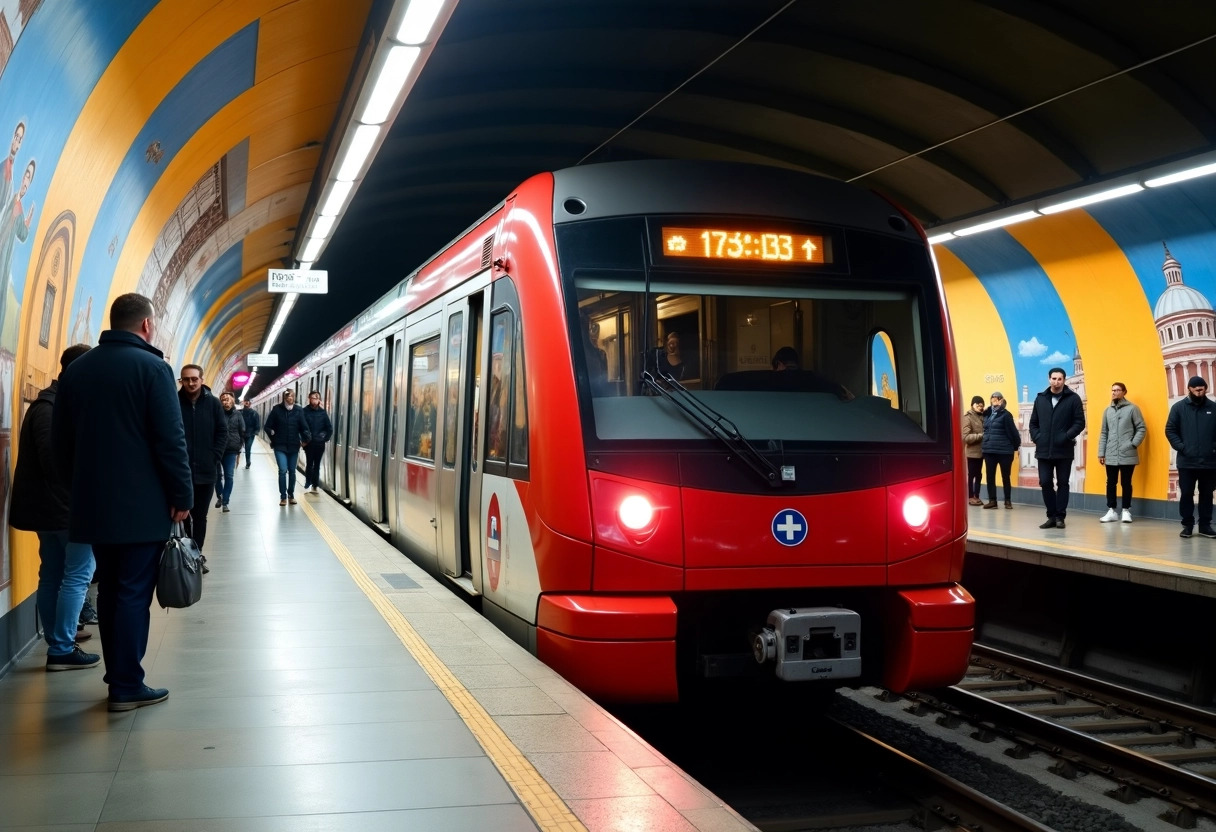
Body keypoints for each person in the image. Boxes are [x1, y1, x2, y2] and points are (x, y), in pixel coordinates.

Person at [52, 293, 193, 711]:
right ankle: (127, 684)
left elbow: (61, 446)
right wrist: (181, 496)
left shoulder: (77, 372)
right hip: (142, 510)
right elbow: (172, 441)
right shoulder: (154, 369)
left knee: (111, 590)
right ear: (147, 325)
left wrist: (76, 490)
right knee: (132, 593)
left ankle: (118, 678)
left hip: (92, 507)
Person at [11, 344, 98, 670]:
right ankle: (61, 647)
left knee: (53, 574)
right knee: (78, 573)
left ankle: (59, 640)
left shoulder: (52, 403)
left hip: (48, 509)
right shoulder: (52, 408)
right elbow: (55, 463)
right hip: (64, 510)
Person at [1028, 367, 1085, 530]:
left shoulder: (1073, 399)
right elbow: (1033, 423)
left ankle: (1060, 516)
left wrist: (1066, 436)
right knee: (1045, 482)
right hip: (1044, 450)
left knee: (1062, 483)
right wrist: (1037, 437)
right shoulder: (1041, 399)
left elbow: (1080, 422)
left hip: (1064, 450)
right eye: (1054, 378)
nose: (1056, 382)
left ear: (1064, 380)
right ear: (1049, 379)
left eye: (1060, 379)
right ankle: (1051, 516)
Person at [178, 365, 226, 551]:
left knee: (200, 516)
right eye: (186, 379)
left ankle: (196, 555)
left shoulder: (213, 403)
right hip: (181, 470)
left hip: (207, 471)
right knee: (182, 514)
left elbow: (222, 431)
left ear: (202, 380)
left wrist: (215, 455)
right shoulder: (173, 401)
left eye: (194, 379)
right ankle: (185, 552)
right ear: (181, 380)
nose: (190, 383)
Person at [1164, 376, 1216, 539]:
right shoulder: (1178, 408)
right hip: (1187, 462)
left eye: (1202, 389)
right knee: (1186, 493)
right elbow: (1170, 430)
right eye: (1196, 390)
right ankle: (1187, 525)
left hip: (1210, 462)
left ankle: (1205, 525)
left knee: (1207, 494)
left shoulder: (1213, 408)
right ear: (1189, 389)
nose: (1200, 392)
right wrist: (1182, 447)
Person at [1097, 382, 1146, 523]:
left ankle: (1126, 510)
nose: (1114, 392)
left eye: (1117, 390)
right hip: (1110, 453)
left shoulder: (1132, 409)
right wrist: (1101, 453)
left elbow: (1141, 428)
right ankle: (1111, 511)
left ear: (1124, 392)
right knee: (1110, 483)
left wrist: (1133, 444)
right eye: (1112, 390)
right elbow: (1104, 433)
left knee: (1126, 482)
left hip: (1127, 453)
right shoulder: (1107, 411)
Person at [264, 390, 311, 505]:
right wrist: (273, 437)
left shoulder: (299, 410)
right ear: (284, 398)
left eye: (292, 396)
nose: (290, 398)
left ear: (294, 397)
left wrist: (306, 439)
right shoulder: (276, 410)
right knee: (282, 470)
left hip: (294, 446)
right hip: (280, 446)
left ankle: (291, 495)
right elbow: (267, 426)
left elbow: (304, 427)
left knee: (292, 471)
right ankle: (283, 497)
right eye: (288, 396)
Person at [980, 391, 1020, 509]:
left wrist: (1015, 447)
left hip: (1004, 451)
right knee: (990, 476)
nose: (995, 400)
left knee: (1005, 476)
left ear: (1002, 399)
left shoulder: (1006, 414)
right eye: (993, 398)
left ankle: (1007, 501)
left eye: (997, 398)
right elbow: (986, 430)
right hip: (989, 450)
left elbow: (1013, 432)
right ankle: (993, 501)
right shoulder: (987, 413)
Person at [214, 392, 245, 512]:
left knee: (229, 476)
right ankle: (220, 496)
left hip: (231, 450)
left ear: (232, 401)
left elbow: (242, 431)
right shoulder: (217, 413)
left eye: (227, 400)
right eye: (223, 400)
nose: (225, 402)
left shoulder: (238, 415)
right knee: (217, 476)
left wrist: (239, 450)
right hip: (217, 449)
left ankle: (225, 501)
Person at [301, 390, 332, 493]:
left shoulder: (323, 413)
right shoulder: (304, 411)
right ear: (309, 399)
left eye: (317, 398)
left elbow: (329, 428)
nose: (315, 400)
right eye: (313, 398)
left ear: (319, 400)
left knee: (317, 464)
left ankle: (315, 485)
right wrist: (303, 439)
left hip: (319, 444)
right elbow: (300, 426)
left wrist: (325, 438)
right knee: (309, 463)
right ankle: (308, 481)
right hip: (308, 443)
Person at [962, 395, 985, 506]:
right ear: (972, 405)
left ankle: (977, 496)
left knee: (979, 475)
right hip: (972, 453)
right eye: (978, 405)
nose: (980, 407)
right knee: (972, 475)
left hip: (981, 452)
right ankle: (970, 496)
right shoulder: (967, 417)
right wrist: (981, 436)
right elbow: (965, 437)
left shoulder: (983, 416)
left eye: (982, 405)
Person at [240, 398, 260, 468]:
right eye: (245, 402)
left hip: (250, 434)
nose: (247, 403)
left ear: (250, 403)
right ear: (244, 403)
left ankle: (248, 462)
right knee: (238, 447)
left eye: (248, 402)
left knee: (247, 448)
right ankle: (237, 462)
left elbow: (257, 424)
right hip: (242, 433)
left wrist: (256, 431)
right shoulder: (240, 412)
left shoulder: (254, 413)